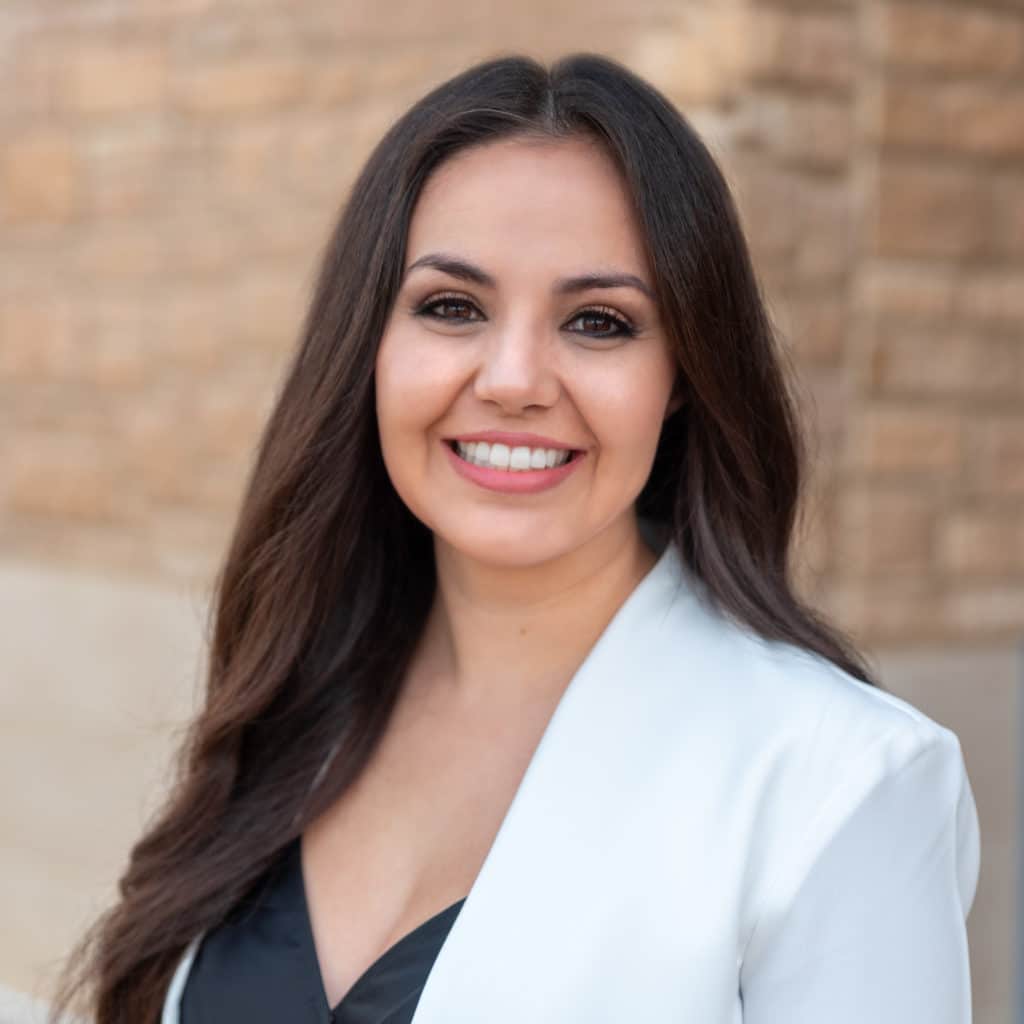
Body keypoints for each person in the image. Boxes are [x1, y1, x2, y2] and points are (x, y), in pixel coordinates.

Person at [50, 52, 980, 1024]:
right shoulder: (298, 692)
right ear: (366, 347)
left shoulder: (840, 783)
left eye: (597, 321)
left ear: (682, 382)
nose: (513, 377)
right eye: (452, 307)